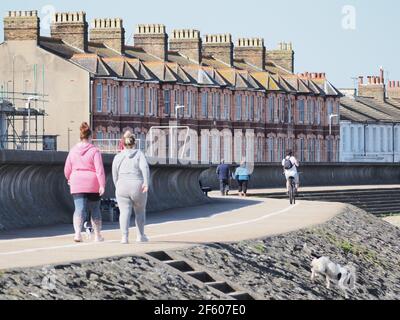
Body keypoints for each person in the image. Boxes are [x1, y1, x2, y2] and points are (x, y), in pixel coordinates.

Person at [64, 122, 106, 243]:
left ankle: (77, 234)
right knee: (95, 209)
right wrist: (102, 185)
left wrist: (69, 178)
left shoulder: (72, 151)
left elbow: (67, 168)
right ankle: (97, 235)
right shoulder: (94, 151)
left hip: (77, 181)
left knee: (79, 209)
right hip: (93, 182)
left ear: (80, 136)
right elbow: (100, 170)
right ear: (90, 137)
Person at [112, 132, 150, 244]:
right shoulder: (139, 154)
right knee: (140, 211)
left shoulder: (118, 156)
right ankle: (140, 236)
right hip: (137, 185)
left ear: (123, 143)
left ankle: (124, 237)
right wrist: (146, 183)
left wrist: (117, 186)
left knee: (124, 212)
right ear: (134, 143)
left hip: (122, 185)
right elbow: (145, 168)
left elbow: (115, 175)